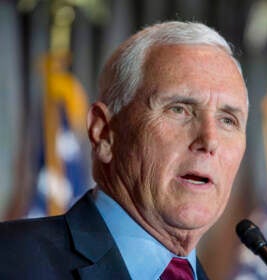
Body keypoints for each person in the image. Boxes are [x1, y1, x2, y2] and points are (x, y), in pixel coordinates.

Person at [0, 21, 248, 279]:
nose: (209, 140)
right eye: (179, 109)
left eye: (228, 120)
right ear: (104, 132)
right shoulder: (10, 260)